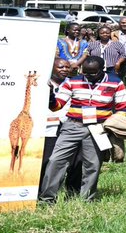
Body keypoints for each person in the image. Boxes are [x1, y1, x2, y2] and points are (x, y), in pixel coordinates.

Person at [40, 56, 126, 204]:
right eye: (85, 72)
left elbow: (121, 108)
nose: (88, 76)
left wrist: (110, 127)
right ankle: (47, 198)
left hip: (98, 127)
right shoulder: (73, 81)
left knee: (92, 165)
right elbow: (57, 106)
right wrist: (50, 95)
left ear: (102, 70)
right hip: (73, 125)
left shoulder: (116, 83)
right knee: (56, 160)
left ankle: (86, 199)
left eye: (93, 73)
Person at [39, 58, 82, 200]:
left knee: (75, 163)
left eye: (67, 67)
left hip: (67, 127)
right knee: (48, 161)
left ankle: (72, 193)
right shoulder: (42, 84)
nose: (65, 69)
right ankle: (41, 192)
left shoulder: (73, 84)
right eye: (61, 67)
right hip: (47, 129)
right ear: (52, 68)